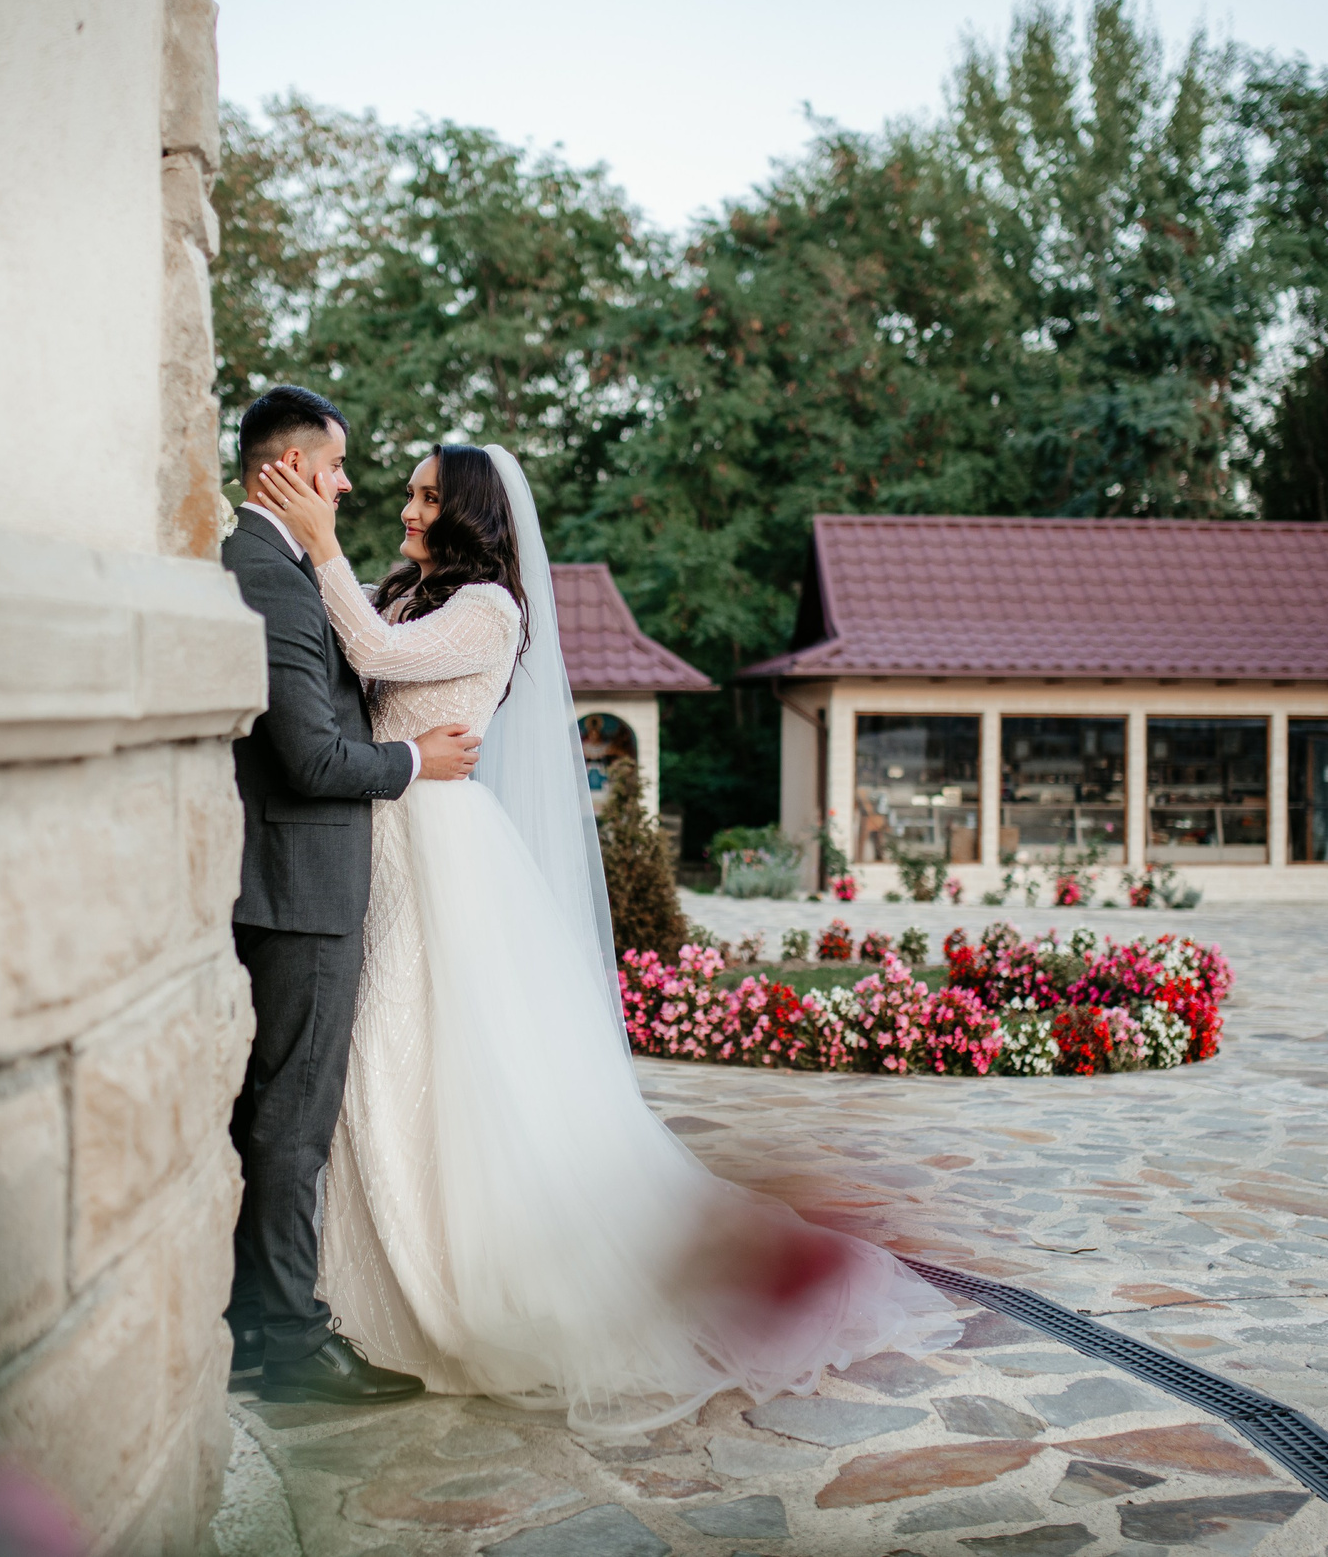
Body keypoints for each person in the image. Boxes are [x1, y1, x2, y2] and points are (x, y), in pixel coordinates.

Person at [251, 440, 957, 1437]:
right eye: (406, 495)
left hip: (440, 848)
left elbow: (371, 657)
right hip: (389, 827)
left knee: (411, 1045)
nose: (405, 513)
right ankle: (350, 1281)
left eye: (423, 499)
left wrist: (319, 544)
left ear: (469, 517)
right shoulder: (408, 592)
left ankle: (440, 1285)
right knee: (379, 1051)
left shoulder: (488, 611)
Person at [219, 387, 485, 1407]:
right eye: (332, 470)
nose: (346, 489)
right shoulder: (270, 576)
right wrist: (417, 758)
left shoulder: (284, 570)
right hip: (301, 887)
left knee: (285, 1111)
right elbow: (314, 758)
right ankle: (285, 1340)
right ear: (282, 472)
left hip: (305, 883)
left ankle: (263, 1318)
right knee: (293, 1117)